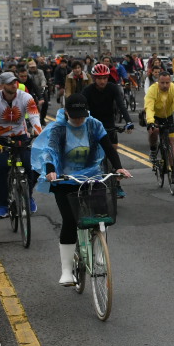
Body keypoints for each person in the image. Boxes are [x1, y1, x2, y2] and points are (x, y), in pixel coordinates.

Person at [33, 94, 130, 286]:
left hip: (90, 176)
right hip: (64, 179)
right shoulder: (59, 128)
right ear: (67, 112)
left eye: (82, 115)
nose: (79, 119)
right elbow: (50, 151)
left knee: (102, 214)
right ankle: (66, 271)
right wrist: (51, 171)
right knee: (70, 221)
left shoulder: (94, 124)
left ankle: (100, 251)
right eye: (75, 115)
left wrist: (118, 167)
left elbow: (108, 148)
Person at [0, 72, 44, 219]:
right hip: (0, 138)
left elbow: (34, 117)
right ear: (2, 85)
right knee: (2, 168)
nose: (14, 85)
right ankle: (3, 205)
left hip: (20, 136)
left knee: (30, 166)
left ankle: (28, 197)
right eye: (10, 83)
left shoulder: (26, 97)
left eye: (15, 82)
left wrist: (39, 132)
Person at [83, 64, 131, 197]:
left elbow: (121, 105)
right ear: (94, 78)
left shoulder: (113, 88)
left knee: (113, 152)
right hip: (93, 124)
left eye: (105, 78)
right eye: (99, 78)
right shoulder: (87, 91)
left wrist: (129, 121)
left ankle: (117, 185)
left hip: (109, 123)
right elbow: (83, 108)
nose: (102, 81)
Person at [143, 66, 174, 168]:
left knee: (171, 142)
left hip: (168, 116)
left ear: (170, 82)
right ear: (158, 82)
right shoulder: (152, 89)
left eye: (167, 83)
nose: (165, 85)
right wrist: (150, 121)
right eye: (162, 83)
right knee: (155, 131)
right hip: (155, 116)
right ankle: (153, 149)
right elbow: (149, 107)